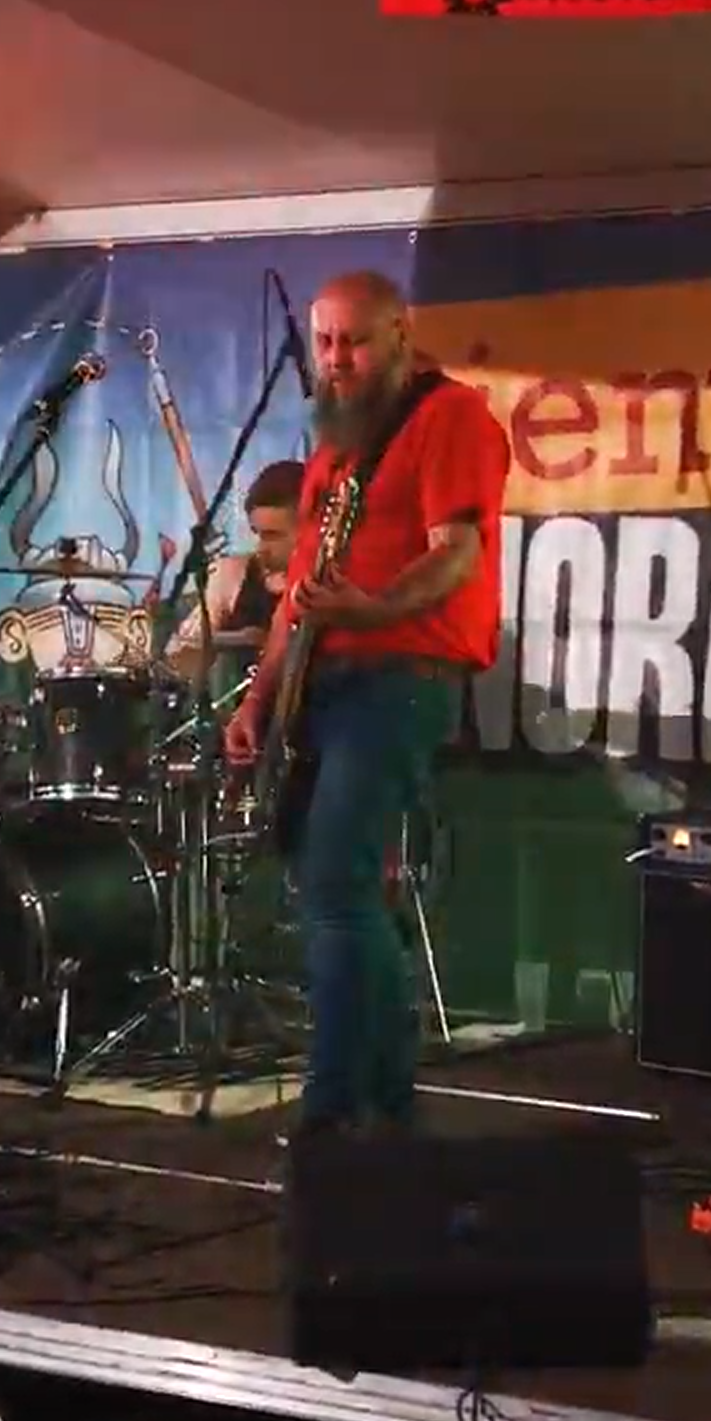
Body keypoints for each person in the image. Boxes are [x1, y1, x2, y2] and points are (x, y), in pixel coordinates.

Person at [222, 275, 508, 1135]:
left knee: (340, 883)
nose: (337, 360)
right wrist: (258, 699)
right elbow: (300, 595)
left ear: (399, 337)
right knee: (336, 888)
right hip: (326, 682)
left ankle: (336, 1109)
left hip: (399, 677)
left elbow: (455, 554)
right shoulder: (336, 449)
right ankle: (385, 1102)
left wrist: (373, 609)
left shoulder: (451, 416)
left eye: (354, 341)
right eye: (325, 343)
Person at [169, 459, 306, 684]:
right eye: (257, 533)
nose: (261, 547)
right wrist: (241, 639)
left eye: (273, 535)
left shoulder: (329, 584)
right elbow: (181, 650)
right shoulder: (232, 574)